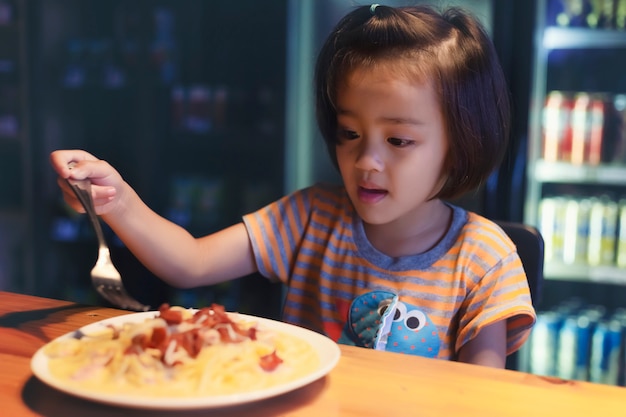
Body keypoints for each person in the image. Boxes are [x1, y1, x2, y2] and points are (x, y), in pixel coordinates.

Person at [50, 4, 536, 368]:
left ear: (462, 141)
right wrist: (116, 200)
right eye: (349, 133)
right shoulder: (311, 217)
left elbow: (482, 396)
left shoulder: (484, 258)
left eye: (399, 140)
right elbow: (189, 262)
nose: (366, 160)